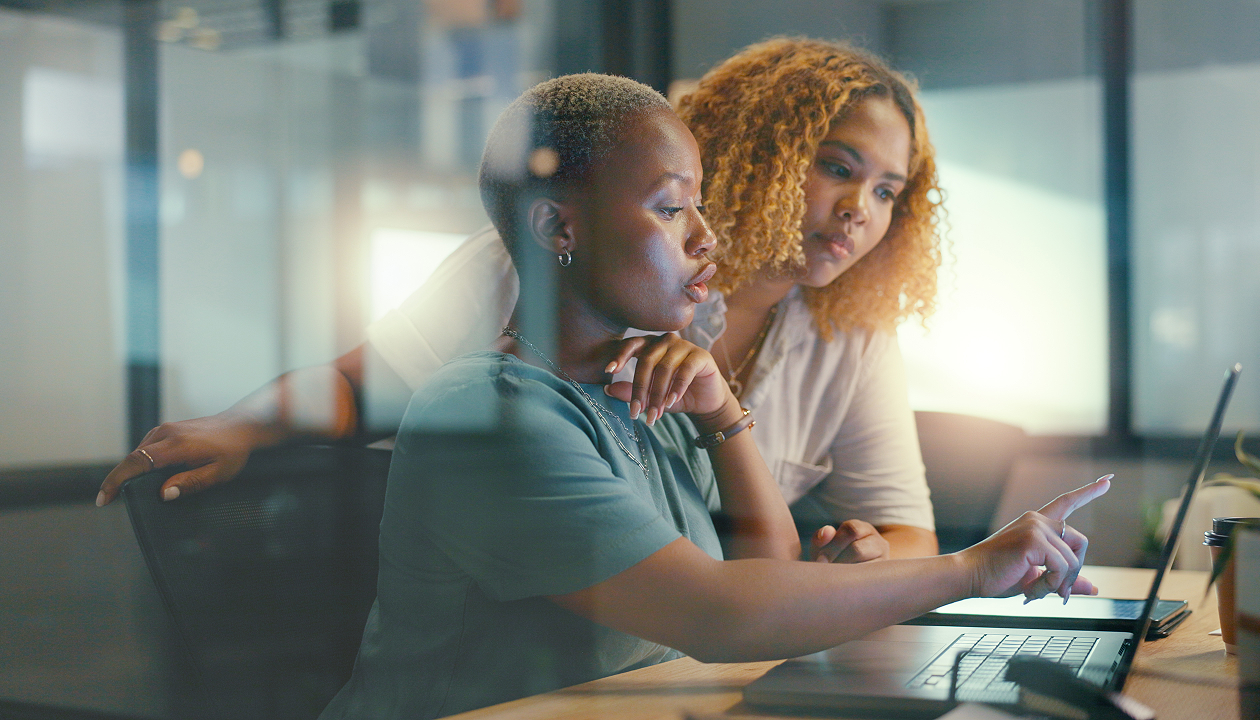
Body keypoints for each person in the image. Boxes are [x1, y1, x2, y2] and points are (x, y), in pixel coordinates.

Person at [317, 73, 1108, 719]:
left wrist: (724, 415)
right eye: (669, 209)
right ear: (559, 229)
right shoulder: (486, 417)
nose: (706, 238)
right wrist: (970, 571)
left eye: (698, 205)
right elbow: (719, 616)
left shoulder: (646, 392)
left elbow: (766, 569)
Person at [98, 39, 939, 563]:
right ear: (761, 152)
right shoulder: (546, 267)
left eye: (888, 190)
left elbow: (905, 534)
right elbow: (362, 383)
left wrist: (862, 563)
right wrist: (246, 423)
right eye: (838, 167)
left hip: (699, 623)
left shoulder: (851, 332)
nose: (861, 210)